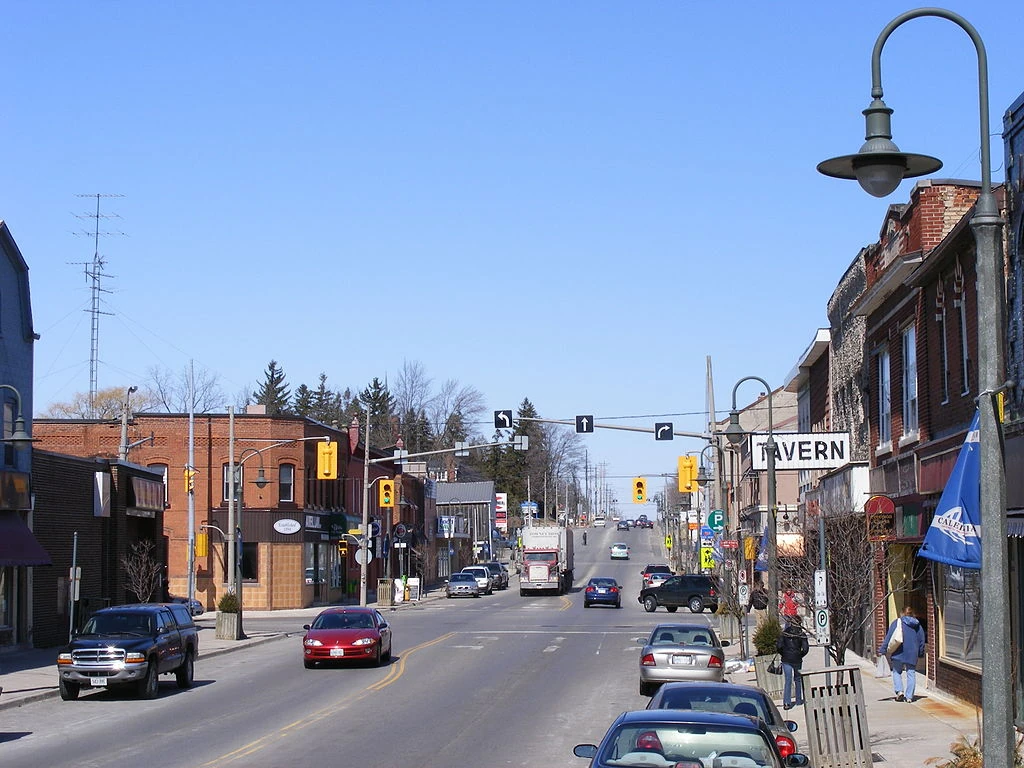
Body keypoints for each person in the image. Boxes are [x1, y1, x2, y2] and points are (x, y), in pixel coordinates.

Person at [883, 605, 926, 702]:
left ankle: (899, 691)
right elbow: (921, 640)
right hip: (912, 653)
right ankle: (909, 697)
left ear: (902, 613)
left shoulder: (897, 622)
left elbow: (889, 636)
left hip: (898, 651)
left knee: (896, 672)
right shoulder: (917, 625)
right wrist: (921, 652)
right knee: (911, 673)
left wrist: (883, 649)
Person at [777, 618, 810, 710]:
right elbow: (806, 649)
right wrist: (800, 655)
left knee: (788, 681)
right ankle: (798, 700)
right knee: (798, 679)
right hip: (797, 659)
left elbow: (779, 646)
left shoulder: (785, 633)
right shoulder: (801, 634)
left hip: (786, 659)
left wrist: (784, 654)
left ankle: (787, 702)